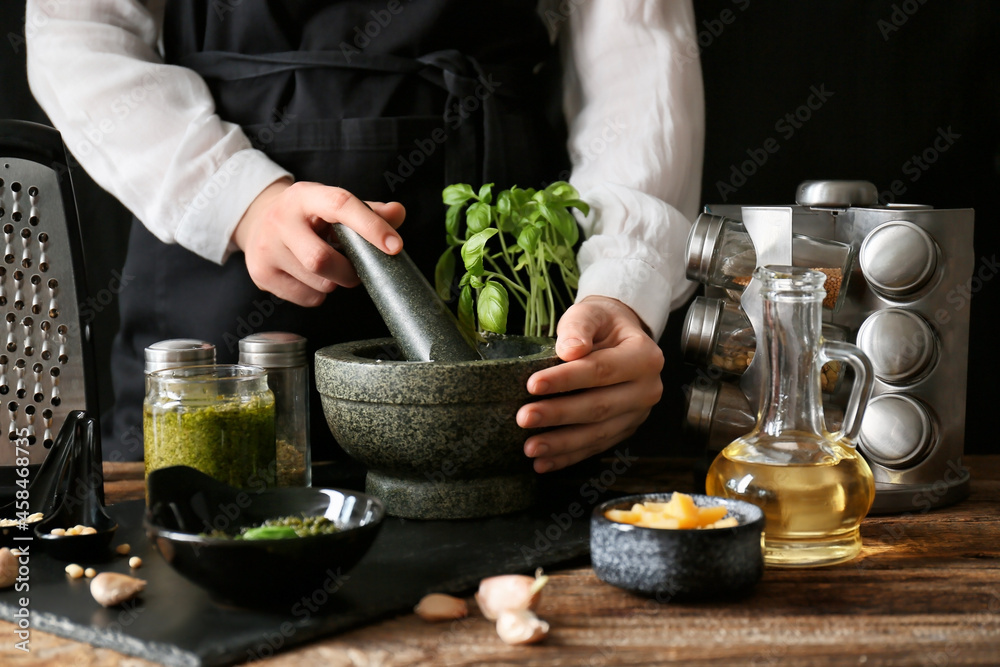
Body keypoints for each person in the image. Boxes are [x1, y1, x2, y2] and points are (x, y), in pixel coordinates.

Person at [25, 0, 704, 474]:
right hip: (220, 282)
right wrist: (241, 198)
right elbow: (77, 31)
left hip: (504, 273)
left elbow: (636, 54)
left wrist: (625, 282)